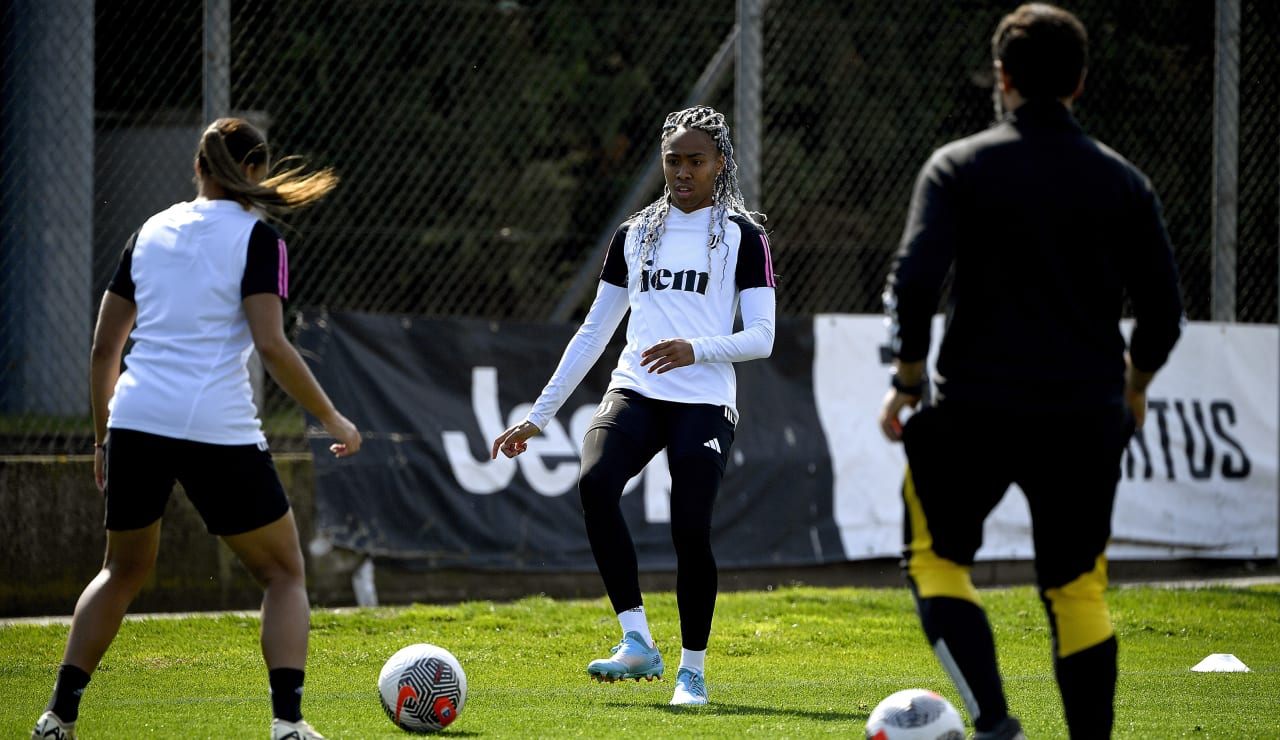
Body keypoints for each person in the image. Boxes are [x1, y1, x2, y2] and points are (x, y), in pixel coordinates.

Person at [877, 5, 1184, 739]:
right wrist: (1133, 390)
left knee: (936, 563)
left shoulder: (958, 166)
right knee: (1077, 590)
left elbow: (915, 282)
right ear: (1079, 83)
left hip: (974, 409)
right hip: (1084, 414)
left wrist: (909, 381)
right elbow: (1164, 312)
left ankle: (994, 724)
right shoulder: (1125, 182)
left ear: (1002, 77)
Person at [32, 118, 362, 740]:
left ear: (199, 167)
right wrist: (332, 416)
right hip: (216, 425)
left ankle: (58, 716)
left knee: (120, 572)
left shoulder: (149, 231)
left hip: (136, 418)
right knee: (284, 574)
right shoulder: (259, 238)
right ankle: (288, 725)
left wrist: (104, 438)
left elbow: (106, 349)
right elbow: (272, 344)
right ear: (257, 170)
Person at [490, 105, 776, 707]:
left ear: (719, 163)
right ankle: (637, 640)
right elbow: (593, 333)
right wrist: (538, 418)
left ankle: (691, 672)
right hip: (636, 390)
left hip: (703, 399)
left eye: (695, 161)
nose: (682, 171)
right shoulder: (635, 233)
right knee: (595, 485)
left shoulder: (743, 238)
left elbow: (762, 337)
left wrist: (693, 349)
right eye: (673, 160)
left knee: (689, 529)